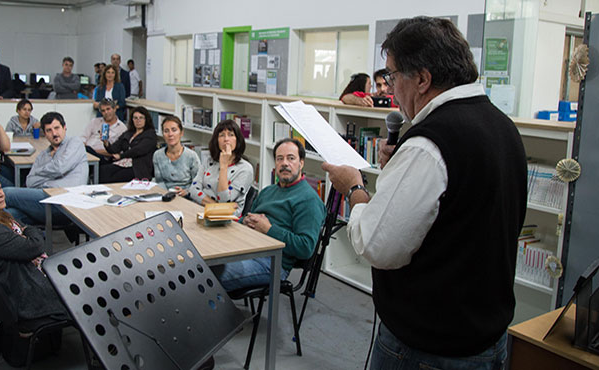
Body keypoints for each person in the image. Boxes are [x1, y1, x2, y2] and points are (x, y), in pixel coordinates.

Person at [321, 16, 527, 368]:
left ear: (422, 79)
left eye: (391, 75)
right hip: (486, 339)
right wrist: (398, 173)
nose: (388, 87)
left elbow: (376, 245)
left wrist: (354, 187)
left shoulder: (429, 144)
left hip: (426, 350)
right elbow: (458, 215)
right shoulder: (502, 126)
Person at [0, 167, 68, 322]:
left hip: (28, 282)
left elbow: (28, 236)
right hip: (32, 297)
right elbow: (35, 245)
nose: (1, 194)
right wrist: (29, 229)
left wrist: (27, 231)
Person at [214, 138, 325, 291]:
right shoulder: (268, 191)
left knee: (209, 276)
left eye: (291, 158)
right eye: (280, 159)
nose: (285, 163)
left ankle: (215, 312)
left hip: (272, 263)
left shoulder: (309, 200)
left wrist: (268, 229)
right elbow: (244, 220)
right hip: (246, 249)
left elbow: (305, 248)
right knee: (196, 263)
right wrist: (245, 222)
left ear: (301, 163)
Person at [4, 112, 88, 226]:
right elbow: (30, 182)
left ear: (64, 128)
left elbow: (59, 168)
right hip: (44, 200)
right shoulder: (43, 154)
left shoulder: (75, 143)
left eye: (57, 128)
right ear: (45, 133)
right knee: (8, 214)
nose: (54, 133)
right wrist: (51, 178)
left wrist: (41, 174)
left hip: (66, 203)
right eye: (49, 130)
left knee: (6, 193)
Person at [188, 120, 253, 216]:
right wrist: (218, 207)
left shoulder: (245, 169)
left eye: (231, 135)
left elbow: (224, 200)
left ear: (237, 139)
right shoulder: (209, 161)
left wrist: (224, 166)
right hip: (202, 211)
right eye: (222, 135)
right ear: (217, 140)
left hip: (228, 219)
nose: (226, 139)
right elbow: (193, 190)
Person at [101, 106, 157, 182]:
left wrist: (121, 156)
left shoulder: (150, 134)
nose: (138, 121)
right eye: (135, 118)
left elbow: (138, 150)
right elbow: (114, 149)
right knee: (103, 170)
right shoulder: (128, 133)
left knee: (113, 178)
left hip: (138, 168)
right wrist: (106, 142)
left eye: (141, 118)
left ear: (146, 119)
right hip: (123, 163)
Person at [153, 115, 200, 196]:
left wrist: (187, 191)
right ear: (163, 134)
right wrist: (166, 194)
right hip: (164, 195)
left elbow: (198, 182)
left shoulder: (192, 156)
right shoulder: (157, 155)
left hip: (187, 196)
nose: (170, 134)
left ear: (181, 133)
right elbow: (159, 181)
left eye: (174, 130)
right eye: (166, 131)